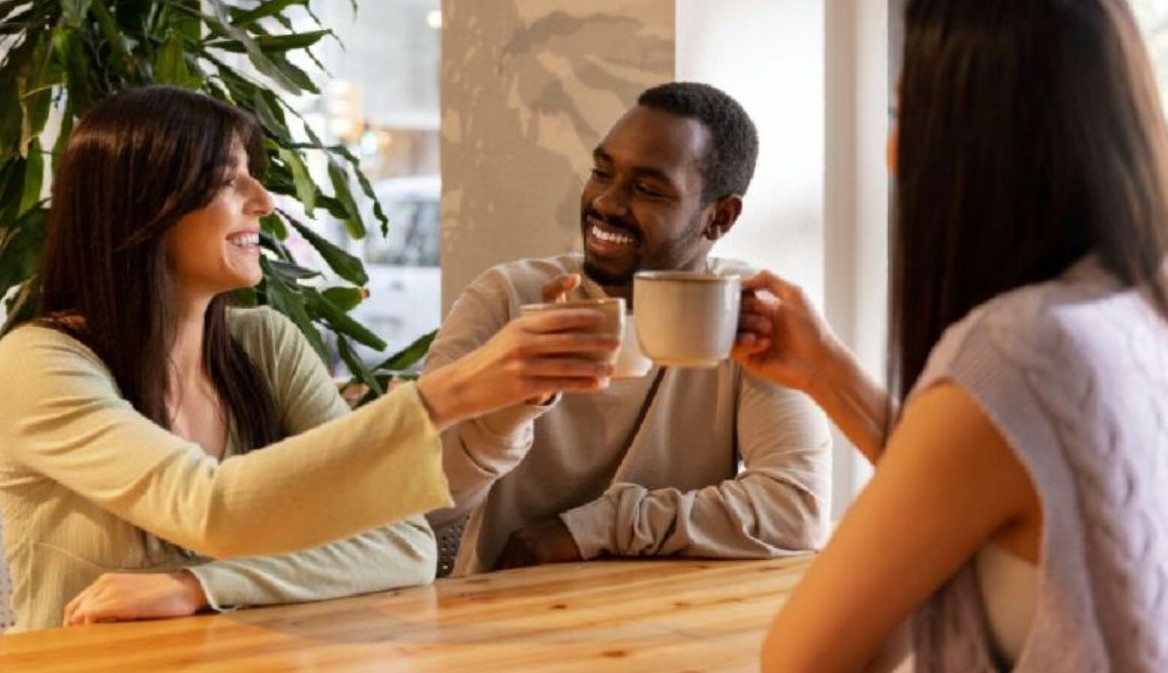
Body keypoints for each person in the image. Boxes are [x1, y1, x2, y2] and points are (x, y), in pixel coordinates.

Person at [0, 86, 619, 632]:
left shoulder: (263, 343)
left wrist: (201, 587)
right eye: (227, 178)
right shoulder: (37, 364)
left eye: (253, 175)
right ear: (143, 207)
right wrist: (453, 392)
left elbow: (403, 542)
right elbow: (208, 508)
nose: (263, 199)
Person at [736, 1, 1168, 671]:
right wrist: (824, 369)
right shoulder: (1135, 308)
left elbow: (804, 659)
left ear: (976, 143)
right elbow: (984, 483)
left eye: (902, 116)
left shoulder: (1021, 348)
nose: (891, 150)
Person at [424, 82, 832, 576]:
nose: (607, 203)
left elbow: (797, 509)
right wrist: (512, 410)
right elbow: (415, 506)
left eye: (647, 189)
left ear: (719, 218)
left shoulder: (744, 315)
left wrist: (592, 529)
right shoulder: (507, 300)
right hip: (506, 622)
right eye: (601, 173)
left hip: (677, 624)